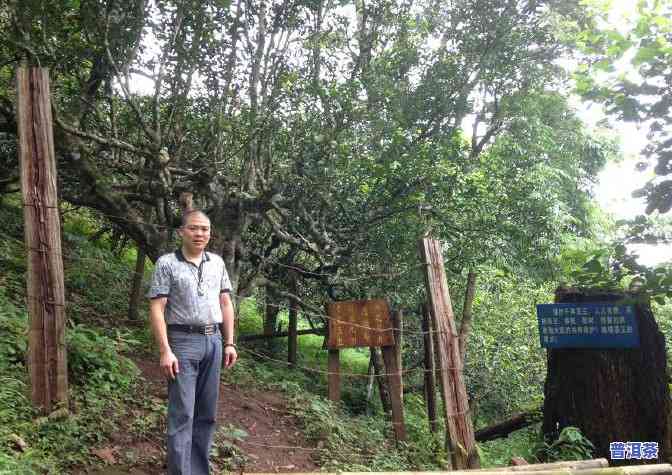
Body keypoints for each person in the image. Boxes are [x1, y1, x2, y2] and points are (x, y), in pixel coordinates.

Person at [147, 209, 237, 475]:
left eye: (205, 229)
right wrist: (165, 350)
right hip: (182, 342)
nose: (200, 234)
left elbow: (225, 303)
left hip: (214, 341)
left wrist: (230, 342)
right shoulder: (166, 263)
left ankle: (198, 471)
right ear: (181, 232)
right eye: (194, 228)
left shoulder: (217, 263)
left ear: (210, 233)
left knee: (206, 414)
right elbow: (156, 307)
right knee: (183, 413)